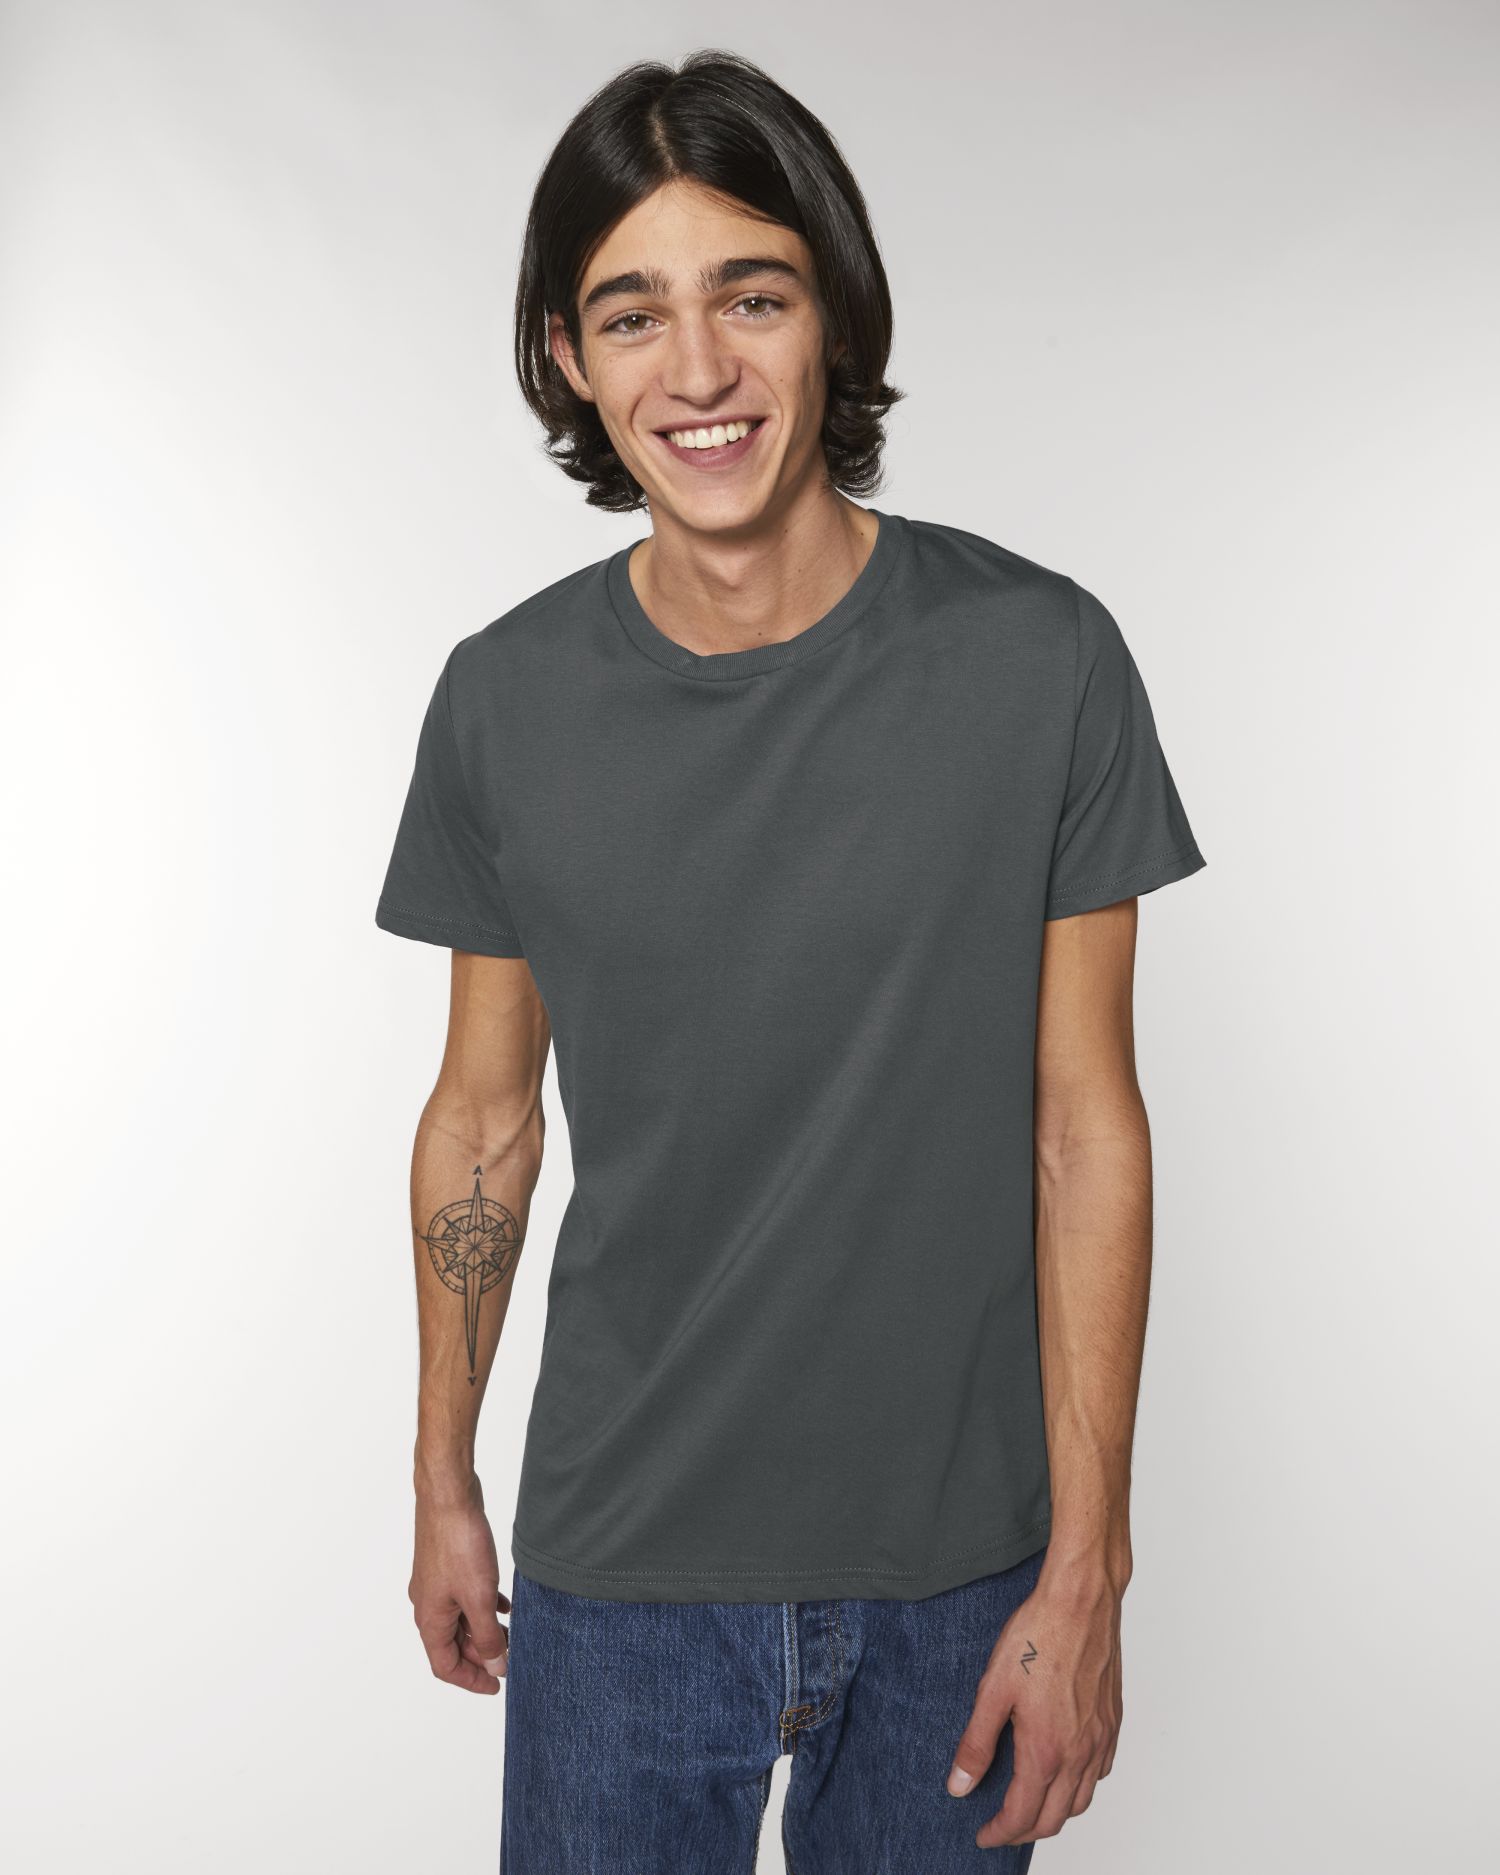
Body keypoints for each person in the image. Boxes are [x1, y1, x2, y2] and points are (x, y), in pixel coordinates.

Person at [374, 47, 1207, 1874]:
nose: (697, 372)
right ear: (566, 360)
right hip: (620, 1579)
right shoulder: (502, 703)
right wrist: (441, 1475)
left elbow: (1085, 1131)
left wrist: (1092, 1573)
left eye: (750, 297)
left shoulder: (1044, 660)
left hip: (962, 1585)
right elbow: (485, 1123)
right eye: (632, 314)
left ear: (832, 312)